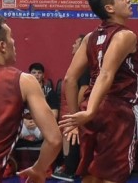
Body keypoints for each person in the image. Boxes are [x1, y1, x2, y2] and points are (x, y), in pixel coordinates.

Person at [59, 0, 138, 183]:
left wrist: (76, 118)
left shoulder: (90, 37)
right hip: (115, 110)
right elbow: (106, 75)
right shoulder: (125, 35)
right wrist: (88, 113)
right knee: (113, 176)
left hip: (90, 106)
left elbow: (69, 79)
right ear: (109, 8)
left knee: (90, 173)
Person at [0, 14, 61, 183]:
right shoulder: (24, 81)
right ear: (2, 46)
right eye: (11, 37)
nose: (14, 41)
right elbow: (54, 139)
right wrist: (39, 169)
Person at [52, 34, 91, 182]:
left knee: (73, 134)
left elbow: (84, 89)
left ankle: (70, 170)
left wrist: (75, 112)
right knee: (71, 134)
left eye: (76, 43)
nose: (72, 46)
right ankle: (68, 167)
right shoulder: (80, 66)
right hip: (80, 111)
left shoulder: (85, 67)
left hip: (83, 111)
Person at [20, 62, 60, 142]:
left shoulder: (50, 93)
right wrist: (24, 121)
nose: (37, 75)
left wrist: (38, 122)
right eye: (34, 72)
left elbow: (54, 115)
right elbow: (14, 113)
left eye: (39, 72)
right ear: (30, 75)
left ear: (43, 75)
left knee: (51, 134)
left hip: (41, 126)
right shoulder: (22, 92)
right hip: (25, 125)